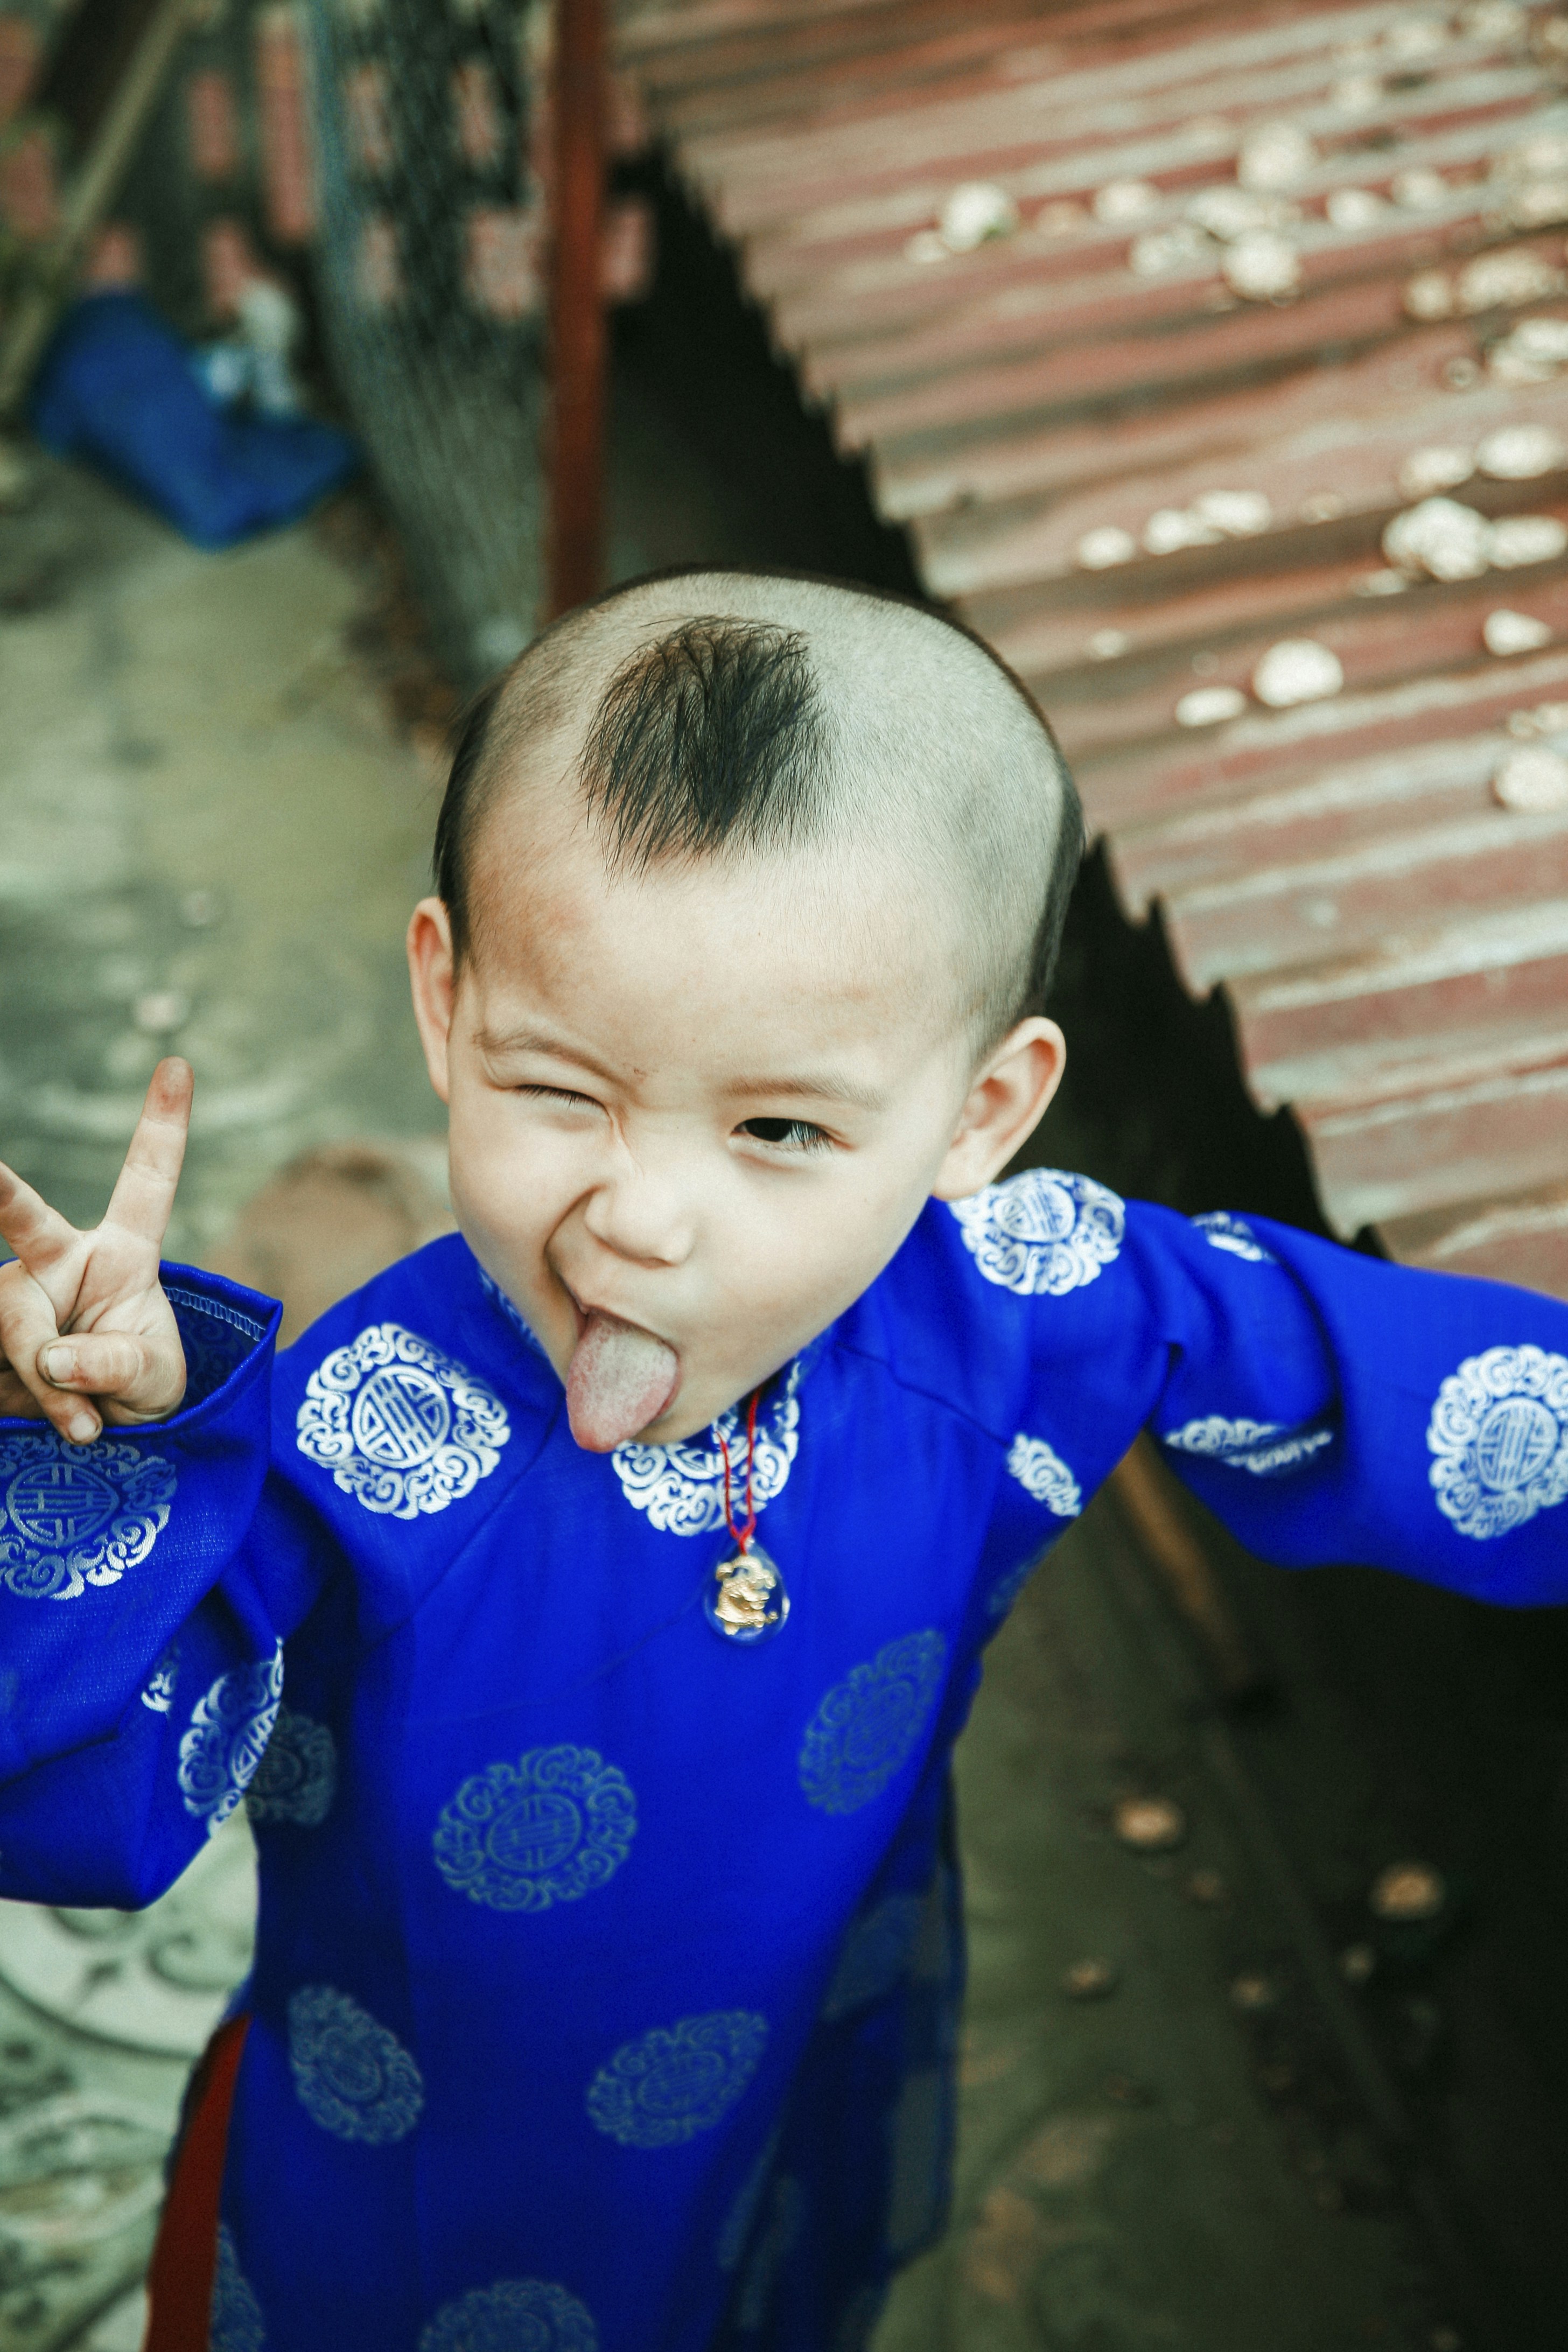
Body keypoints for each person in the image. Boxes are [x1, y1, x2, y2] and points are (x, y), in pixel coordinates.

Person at [0, 570, 1564, 2352]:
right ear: (447, 1000)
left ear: (980, 1112)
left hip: (802, 2050)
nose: (642, 1219)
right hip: (416, 2174)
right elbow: (66, 1791)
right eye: (561, 1092)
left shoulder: (1021, 1309)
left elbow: (1384, 1381)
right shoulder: (363, 1434)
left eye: (783, 1128)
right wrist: (109, 1464)